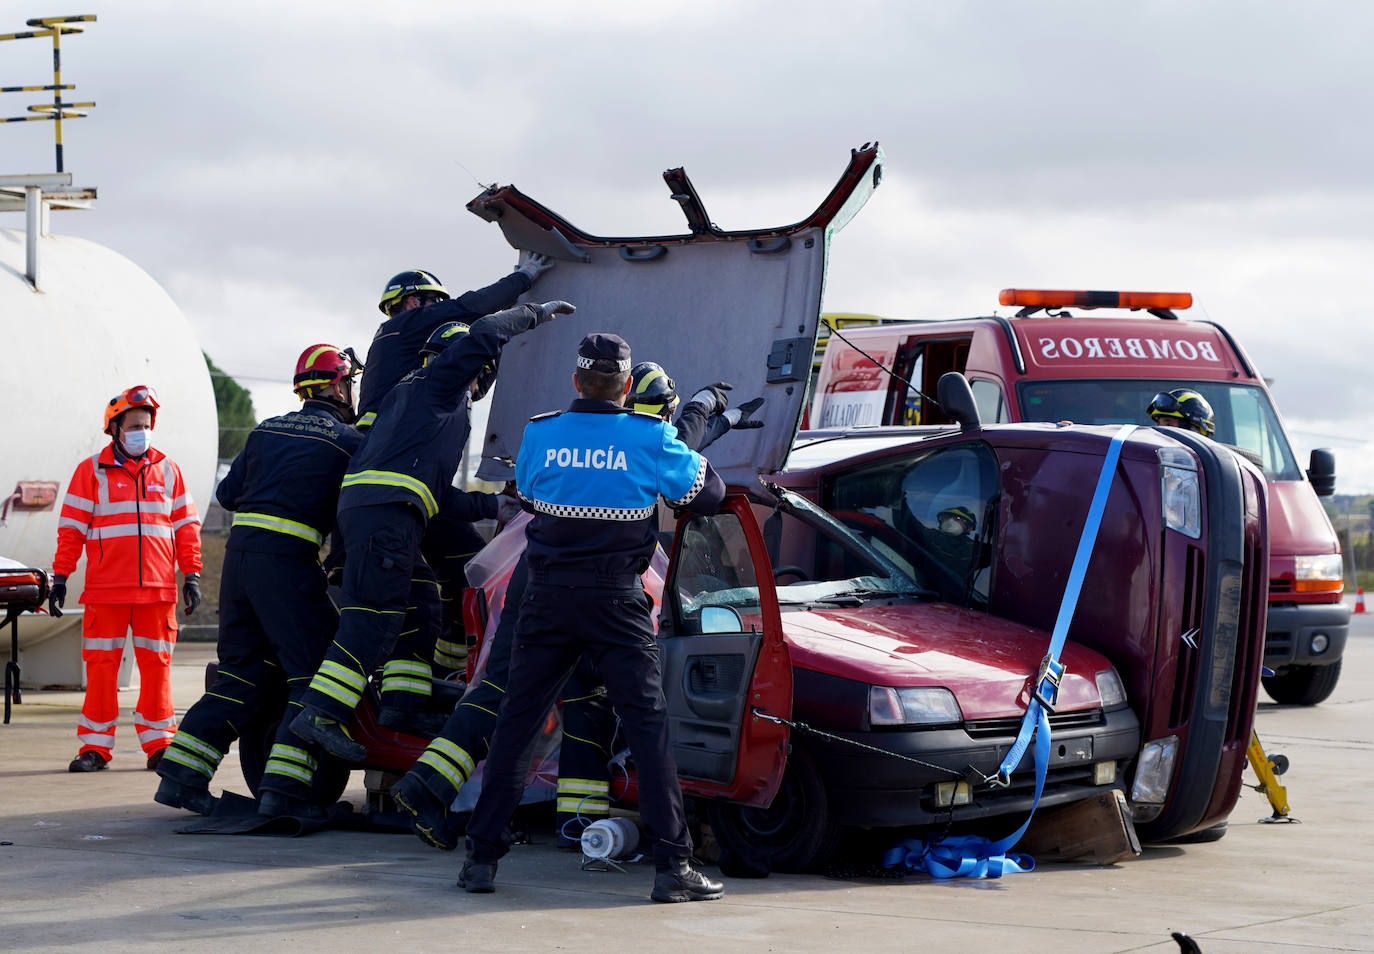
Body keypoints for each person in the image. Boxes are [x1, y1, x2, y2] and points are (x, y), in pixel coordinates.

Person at [388, 359, 764, 852]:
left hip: (541, 580)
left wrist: (714, 416)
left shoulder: (562, 433)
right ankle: (445, 794)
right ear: (631, 394)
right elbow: (681, 453)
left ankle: (503, 826)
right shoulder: (645, 438)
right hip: (596, 590)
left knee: (524, 695)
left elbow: (670, 445)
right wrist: (710, 410)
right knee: (580, 702)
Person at [456, 332, 727, 904]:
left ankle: (480, 859)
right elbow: (705, 494)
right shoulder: (650, 437)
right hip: (617, 604)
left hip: (547, 599)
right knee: (649, 729)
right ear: (627, 387)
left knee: (517, 726)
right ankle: (672, 868)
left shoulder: (542, 431)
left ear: (576, 381)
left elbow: (528, 494)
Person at [280, 301, 574, 818]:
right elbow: (482, 331)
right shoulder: (439, 385)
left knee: (413, 606)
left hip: (387, 513)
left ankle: (404, 707)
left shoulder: (419, 405)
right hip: (386, 516)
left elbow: (440, 494)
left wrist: (495, 504)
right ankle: (321, 712)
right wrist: (532, 312)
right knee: (372, 622)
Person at [153, 345, 363, 815]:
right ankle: (285, 794)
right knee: (314, 677)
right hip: (287, 564)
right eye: (347, 383)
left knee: (242, 670)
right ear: (334, 385)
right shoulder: (347, 442)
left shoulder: (265, 429)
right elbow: (356, 513)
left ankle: (180, 777)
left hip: (239, 563)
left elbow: (227, 495)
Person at [50, 385, 202, 773]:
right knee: (101, 668)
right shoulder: (91, 471)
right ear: (115, 428)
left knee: (157, 668)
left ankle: (159, 744)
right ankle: (95, 748)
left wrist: (192, 575)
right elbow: (71, 529)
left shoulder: (168, 470)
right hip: (106, 591)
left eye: (147, 425)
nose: (142, 432)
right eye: (135, 425)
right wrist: (61, 576)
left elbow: (186, 526)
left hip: (157, 590)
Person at [357, 256, 553, 428]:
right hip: (395, 427)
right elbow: (472, 306)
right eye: (435, 301)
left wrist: (502, 328)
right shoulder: (414, 320)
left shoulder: (390, 339)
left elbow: (475, 391)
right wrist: (523, 277)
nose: (439, 309)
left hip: (375, 433)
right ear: (413, 301)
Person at [1146, 388, 1264, 468]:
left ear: (1194, 430)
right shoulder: (1154, 465)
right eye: (1159, 426)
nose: (1160, 434)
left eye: (1168, 425)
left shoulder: (1216, 472)